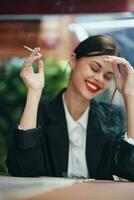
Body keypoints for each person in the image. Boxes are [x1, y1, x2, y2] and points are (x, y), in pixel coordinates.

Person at [7, 35, 134, 180]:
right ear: (73, 60)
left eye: (107, 77)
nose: (99, 78)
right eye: (94, 68)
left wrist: (130, 96)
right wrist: (34, 92)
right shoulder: (40, 112)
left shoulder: (112, 117)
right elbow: (22, 169)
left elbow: (129, 172)